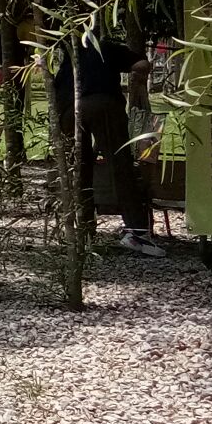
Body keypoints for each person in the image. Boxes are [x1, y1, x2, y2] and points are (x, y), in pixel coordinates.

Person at [50, 31, 165, 257]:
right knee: (120, 165)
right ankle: (136, 232)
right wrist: (138, 78)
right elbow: (142, 64)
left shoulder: (69, 54)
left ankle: (83, 231)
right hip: (104, 104)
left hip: (69, 110)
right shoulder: (107, 47)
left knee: (79, 169)